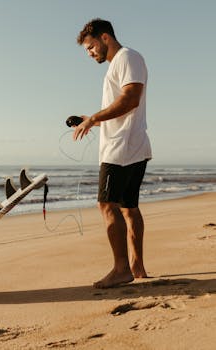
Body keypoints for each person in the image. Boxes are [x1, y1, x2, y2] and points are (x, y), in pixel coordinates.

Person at [73, 18, 152, 288]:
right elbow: (120, 104)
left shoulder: (127, 57)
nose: (90, 53)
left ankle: (121, 269)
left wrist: (94, 118)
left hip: (120, 149)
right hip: (132, 146)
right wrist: (91, 118)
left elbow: (131, 99)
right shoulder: (120, 64)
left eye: (91, 46)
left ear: (105, 38)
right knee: (129, 208)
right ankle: (136, 265)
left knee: (107, 205)